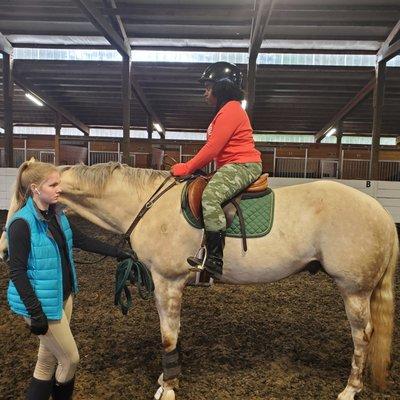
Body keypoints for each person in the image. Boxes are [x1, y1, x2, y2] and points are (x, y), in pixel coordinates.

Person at [5, 160, 132, 400]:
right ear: (35, 188)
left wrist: (118, 252)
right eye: (53, 185)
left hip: (62, 296)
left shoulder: (57, 216)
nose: (59, 189)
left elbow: (82, 240)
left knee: (47, 361)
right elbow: (17, 272)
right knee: (70, 360)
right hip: (42, 304)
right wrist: (35, 313)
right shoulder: (21, 224)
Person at [170, 61, 262, 277]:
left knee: (210, 197)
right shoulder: (225, 111)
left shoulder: (231, 110)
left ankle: (214, 259)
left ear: (221, 87)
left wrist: (187, 166)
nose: (205, 93)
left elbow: (212, 148)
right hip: (231, 165)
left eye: (208, 87)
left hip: (243, 165)